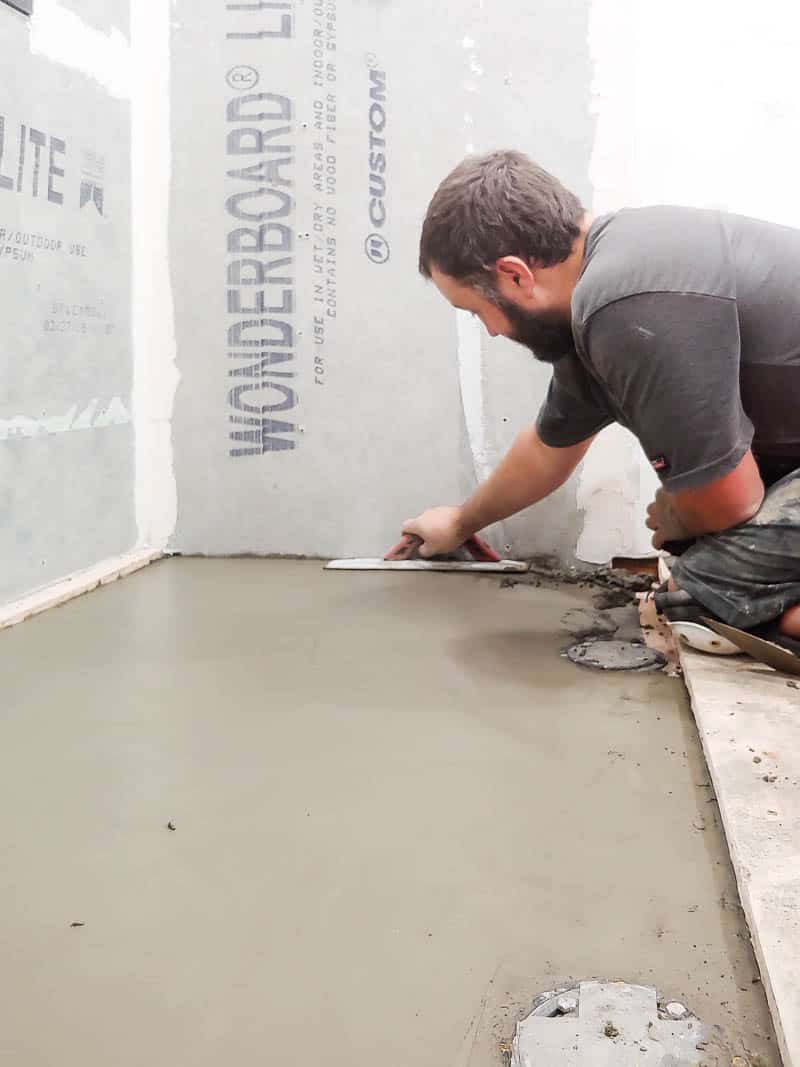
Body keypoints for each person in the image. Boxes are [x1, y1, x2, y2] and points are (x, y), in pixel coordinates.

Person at [385, 150, 800, 656]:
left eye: (477, 311)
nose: (491, 331)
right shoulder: (610, 279)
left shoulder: (624, 304)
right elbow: (546, 450)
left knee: (705, 599)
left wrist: (684, 513)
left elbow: (728, 503)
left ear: (515, 275)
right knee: (701, 567)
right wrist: (459, 523)